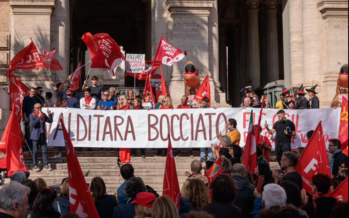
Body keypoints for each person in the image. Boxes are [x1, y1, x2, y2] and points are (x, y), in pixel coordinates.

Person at [30, 103, 53, 172]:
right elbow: (33, 124)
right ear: (34, 108)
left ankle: (45, 165)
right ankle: (35, 165)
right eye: (38, 108)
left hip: (42, 135)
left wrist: (50, 114)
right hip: (35, 136)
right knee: (35, 151)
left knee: (45, 150)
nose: (40, 109)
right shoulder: (32, 115)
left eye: (40, 107)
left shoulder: (43, 114)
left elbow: (50, 121)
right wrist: (38, 117)